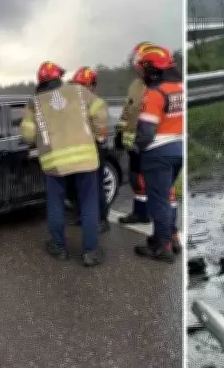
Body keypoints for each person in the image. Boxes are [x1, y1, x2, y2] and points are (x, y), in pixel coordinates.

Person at [20, 61, 108, 267]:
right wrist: (97, 135)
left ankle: (58, 247)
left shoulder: (34, 103)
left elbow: (27, 135)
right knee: (88, 204)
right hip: (86, 158)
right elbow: (100, 111)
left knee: (56, 204)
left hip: (55, 162)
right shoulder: (78, 91)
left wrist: (38, 139)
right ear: (59, 77)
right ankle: (91, 252)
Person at [132, 46, 183, 263]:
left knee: (158, 201)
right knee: (167, 196)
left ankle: (163, 247)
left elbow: (147, 131)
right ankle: (170, 237)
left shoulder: (154, 93)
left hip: (157, 153)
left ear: (152, 70)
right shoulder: (180, 87)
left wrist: (136, 147)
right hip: (178, 149)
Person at [69, 66, 110, 233]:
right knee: (79, 185)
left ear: (92, 86)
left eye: (82, 85)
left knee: (96, 186)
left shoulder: (96, 102)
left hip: (96, 149)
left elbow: (100, 132)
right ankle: (84, 216)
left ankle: (102, 220)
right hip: (79, 149)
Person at [116, 42, 154, 226]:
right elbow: (127, 109)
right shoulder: (135, 85)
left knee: (148, 181)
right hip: (134, 142)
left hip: (150, 143)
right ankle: (140, 213)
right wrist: (120, 131)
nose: (136, 70)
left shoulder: (158, 87)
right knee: (135, 180)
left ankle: (151, 215)